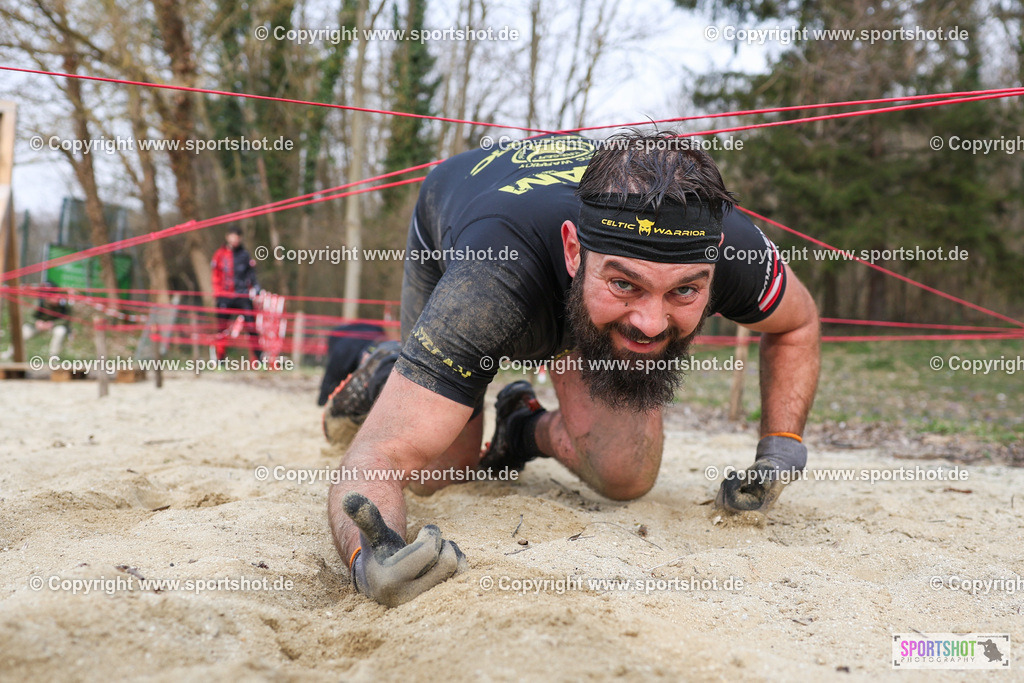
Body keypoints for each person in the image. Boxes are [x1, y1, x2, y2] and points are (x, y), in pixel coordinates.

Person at [324, 131, 820, 607]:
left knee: (625, 474)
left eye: (684, 292)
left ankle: (520, 428)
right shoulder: (490, 280)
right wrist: (371, 558)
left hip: (575, 298)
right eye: (626, 284)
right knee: (445, 469)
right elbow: (378, 457)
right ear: (574, 250)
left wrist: (780, 450)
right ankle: (389, 366)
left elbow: (797, 325)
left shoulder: (729, 245)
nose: (651, 323)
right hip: (461, 210)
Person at [210, 227, 262, 361]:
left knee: (251, 326)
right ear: (227, 237)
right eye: (233, 236)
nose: (235, 239)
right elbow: (215, 276)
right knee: (222, 328)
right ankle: (220, 360)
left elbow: (251, 274)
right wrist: (217, 294)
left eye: (238, 236)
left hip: (242, 296)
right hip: (224, 296)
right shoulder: (219, 254)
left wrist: (256, 288)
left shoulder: (245, 255)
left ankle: (259, 359)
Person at [317, 322, 390, 406]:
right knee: (335, 377)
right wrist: (322, 401)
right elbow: (329, 376)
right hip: (347, 348)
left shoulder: (380, 342)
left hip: (366, 348)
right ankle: (324, 402)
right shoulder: (341, 353)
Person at [2, 282, 72, 360]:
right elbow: (29, 317)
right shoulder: (39, 303)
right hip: (38, 326)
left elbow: (66, 319)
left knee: (60, 331)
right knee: (23, 331)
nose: (57, 298)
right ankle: (10, 352)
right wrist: (37, 322)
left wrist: (52, 324)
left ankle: (54, 356)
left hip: (53, 327)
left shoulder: (64, 306)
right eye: (54, 296)